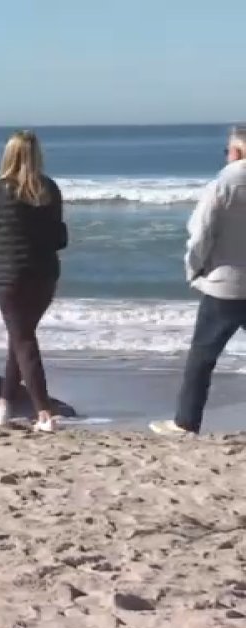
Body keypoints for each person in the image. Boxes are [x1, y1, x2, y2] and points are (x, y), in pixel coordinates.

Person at [0, 129, 68, 432]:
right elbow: (60, 239)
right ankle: (4, 404)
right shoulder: (49, 190)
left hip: (9, 275)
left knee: (23, 339)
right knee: (21, 337)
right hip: (44, 275)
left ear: (8, 155)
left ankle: (44, 412)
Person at [150, 125, 246, 436]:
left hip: (225, 284)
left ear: (237, 152)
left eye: (228, 150)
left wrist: (193, 269)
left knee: (202, 359)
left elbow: (201, 234)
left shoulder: (223, 184)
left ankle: (186, 422)